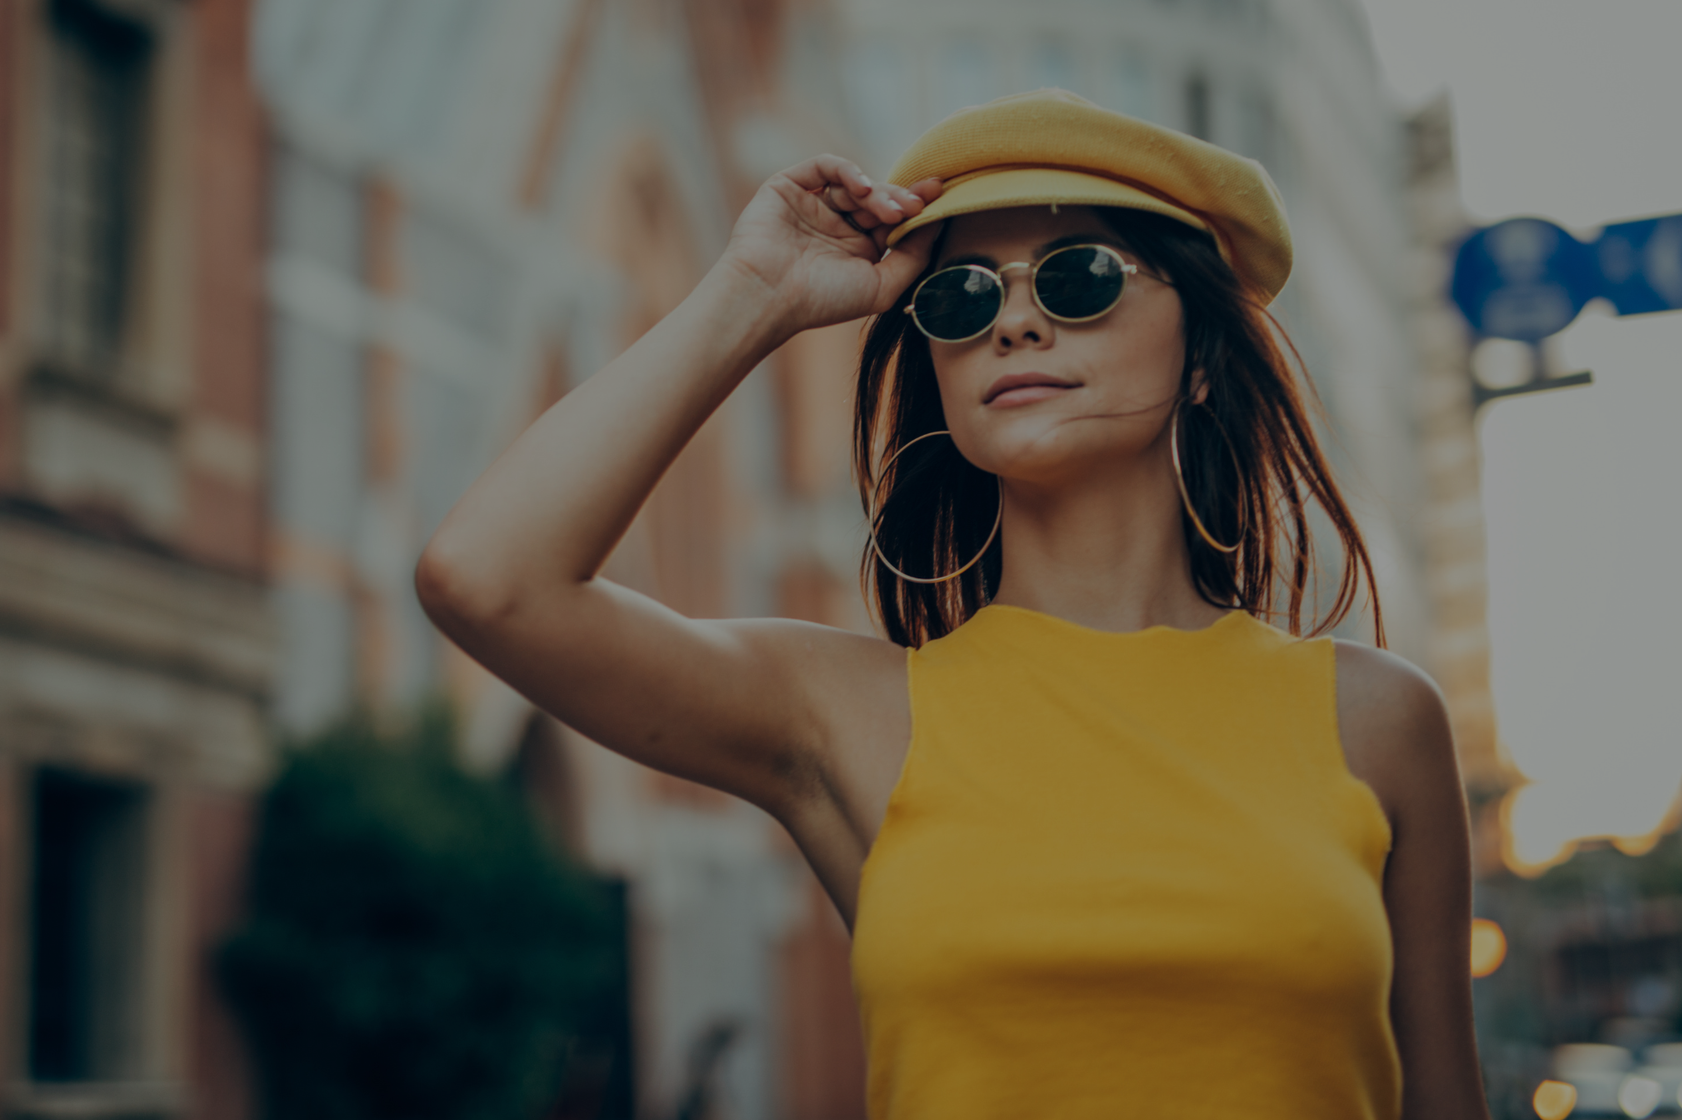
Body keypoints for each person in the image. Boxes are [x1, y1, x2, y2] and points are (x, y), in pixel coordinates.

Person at [417, 89, 1489, 1120]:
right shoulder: (845, 711)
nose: (1013, 321)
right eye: (961, 297)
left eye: (1076, 278)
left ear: (1202, 354)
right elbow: (489, 580)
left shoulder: (1377, 720)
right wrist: (754, 292)